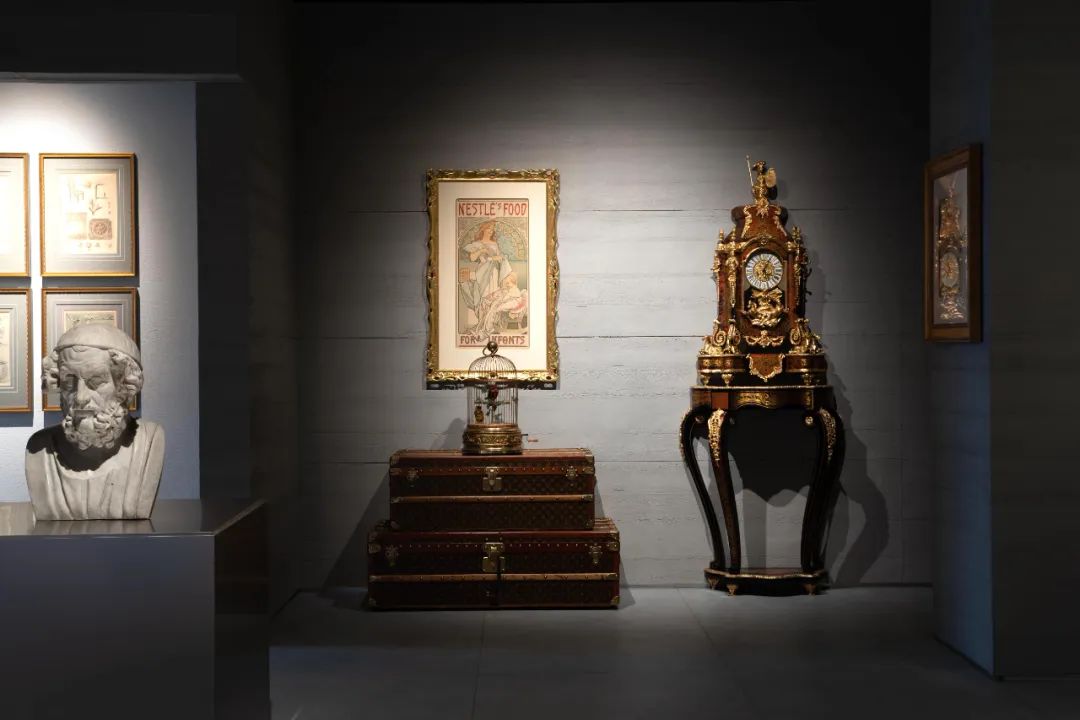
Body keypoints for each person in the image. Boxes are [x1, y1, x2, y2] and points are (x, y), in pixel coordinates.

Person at [25, 323, 164, 520]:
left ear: (123, 385)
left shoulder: (148, 442)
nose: (81, 397)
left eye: (97, 381)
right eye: (69, 382)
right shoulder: (39, 449)